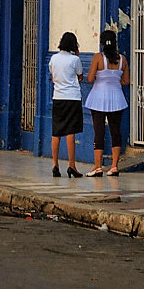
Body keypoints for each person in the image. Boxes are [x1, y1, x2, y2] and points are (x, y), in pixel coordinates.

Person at [84, 29, 129, 177]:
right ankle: (114, 166)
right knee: (116, 131)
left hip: (98, 98)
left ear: (102, 43)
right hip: (117, 98)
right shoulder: (122, 59)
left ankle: (98, 167)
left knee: (99, 132)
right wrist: (115, 79)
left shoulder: (98, 58)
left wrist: (100, 77)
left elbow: (90, 79)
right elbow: (126, 81)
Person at [49, 32, 84, 178]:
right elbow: (80, 76)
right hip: (73, 98)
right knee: (71, 131)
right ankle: (72, 165)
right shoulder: (75, 60)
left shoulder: (53, 58)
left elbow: (52, 76)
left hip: (58, 97)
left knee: (56, 132)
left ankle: (55, 165)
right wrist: (77, 54)